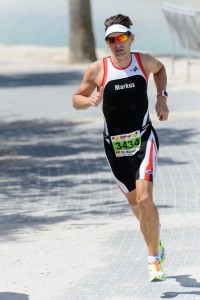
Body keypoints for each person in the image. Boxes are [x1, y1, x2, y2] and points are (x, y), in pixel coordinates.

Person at [72, 14, 169, 282]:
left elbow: (160, 70)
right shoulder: (97, 70)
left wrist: (162, 99)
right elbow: (75, 98)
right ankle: (156, 243)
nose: (118, 44)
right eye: (112, 40)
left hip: (144, 139)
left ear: (131, 39)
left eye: (122, 38)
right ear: (108, 43)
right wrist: (88, 101)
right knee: (137, 208)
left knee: (145, 199)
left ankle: (153, 261)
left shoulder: (143, 61)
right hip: (114, 147)